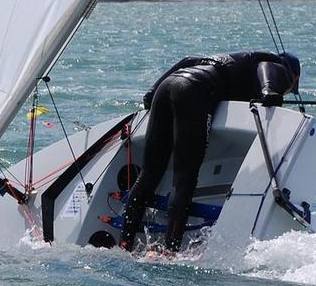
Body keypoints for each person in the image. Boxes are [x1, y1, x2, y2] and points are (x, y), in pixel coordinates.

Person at [119, 51, 301, 253]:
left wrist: (152, 91)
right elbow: (268, 69)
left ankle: (125, 243)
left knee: (148, 174)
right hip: (194, 91)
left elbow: (187, 60)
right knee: (184, 178)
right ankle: (170, 250)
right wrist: (269, 91)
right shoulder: (280, 68)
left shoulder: (230, 58)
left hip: (166, 86)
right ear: (295, 76)